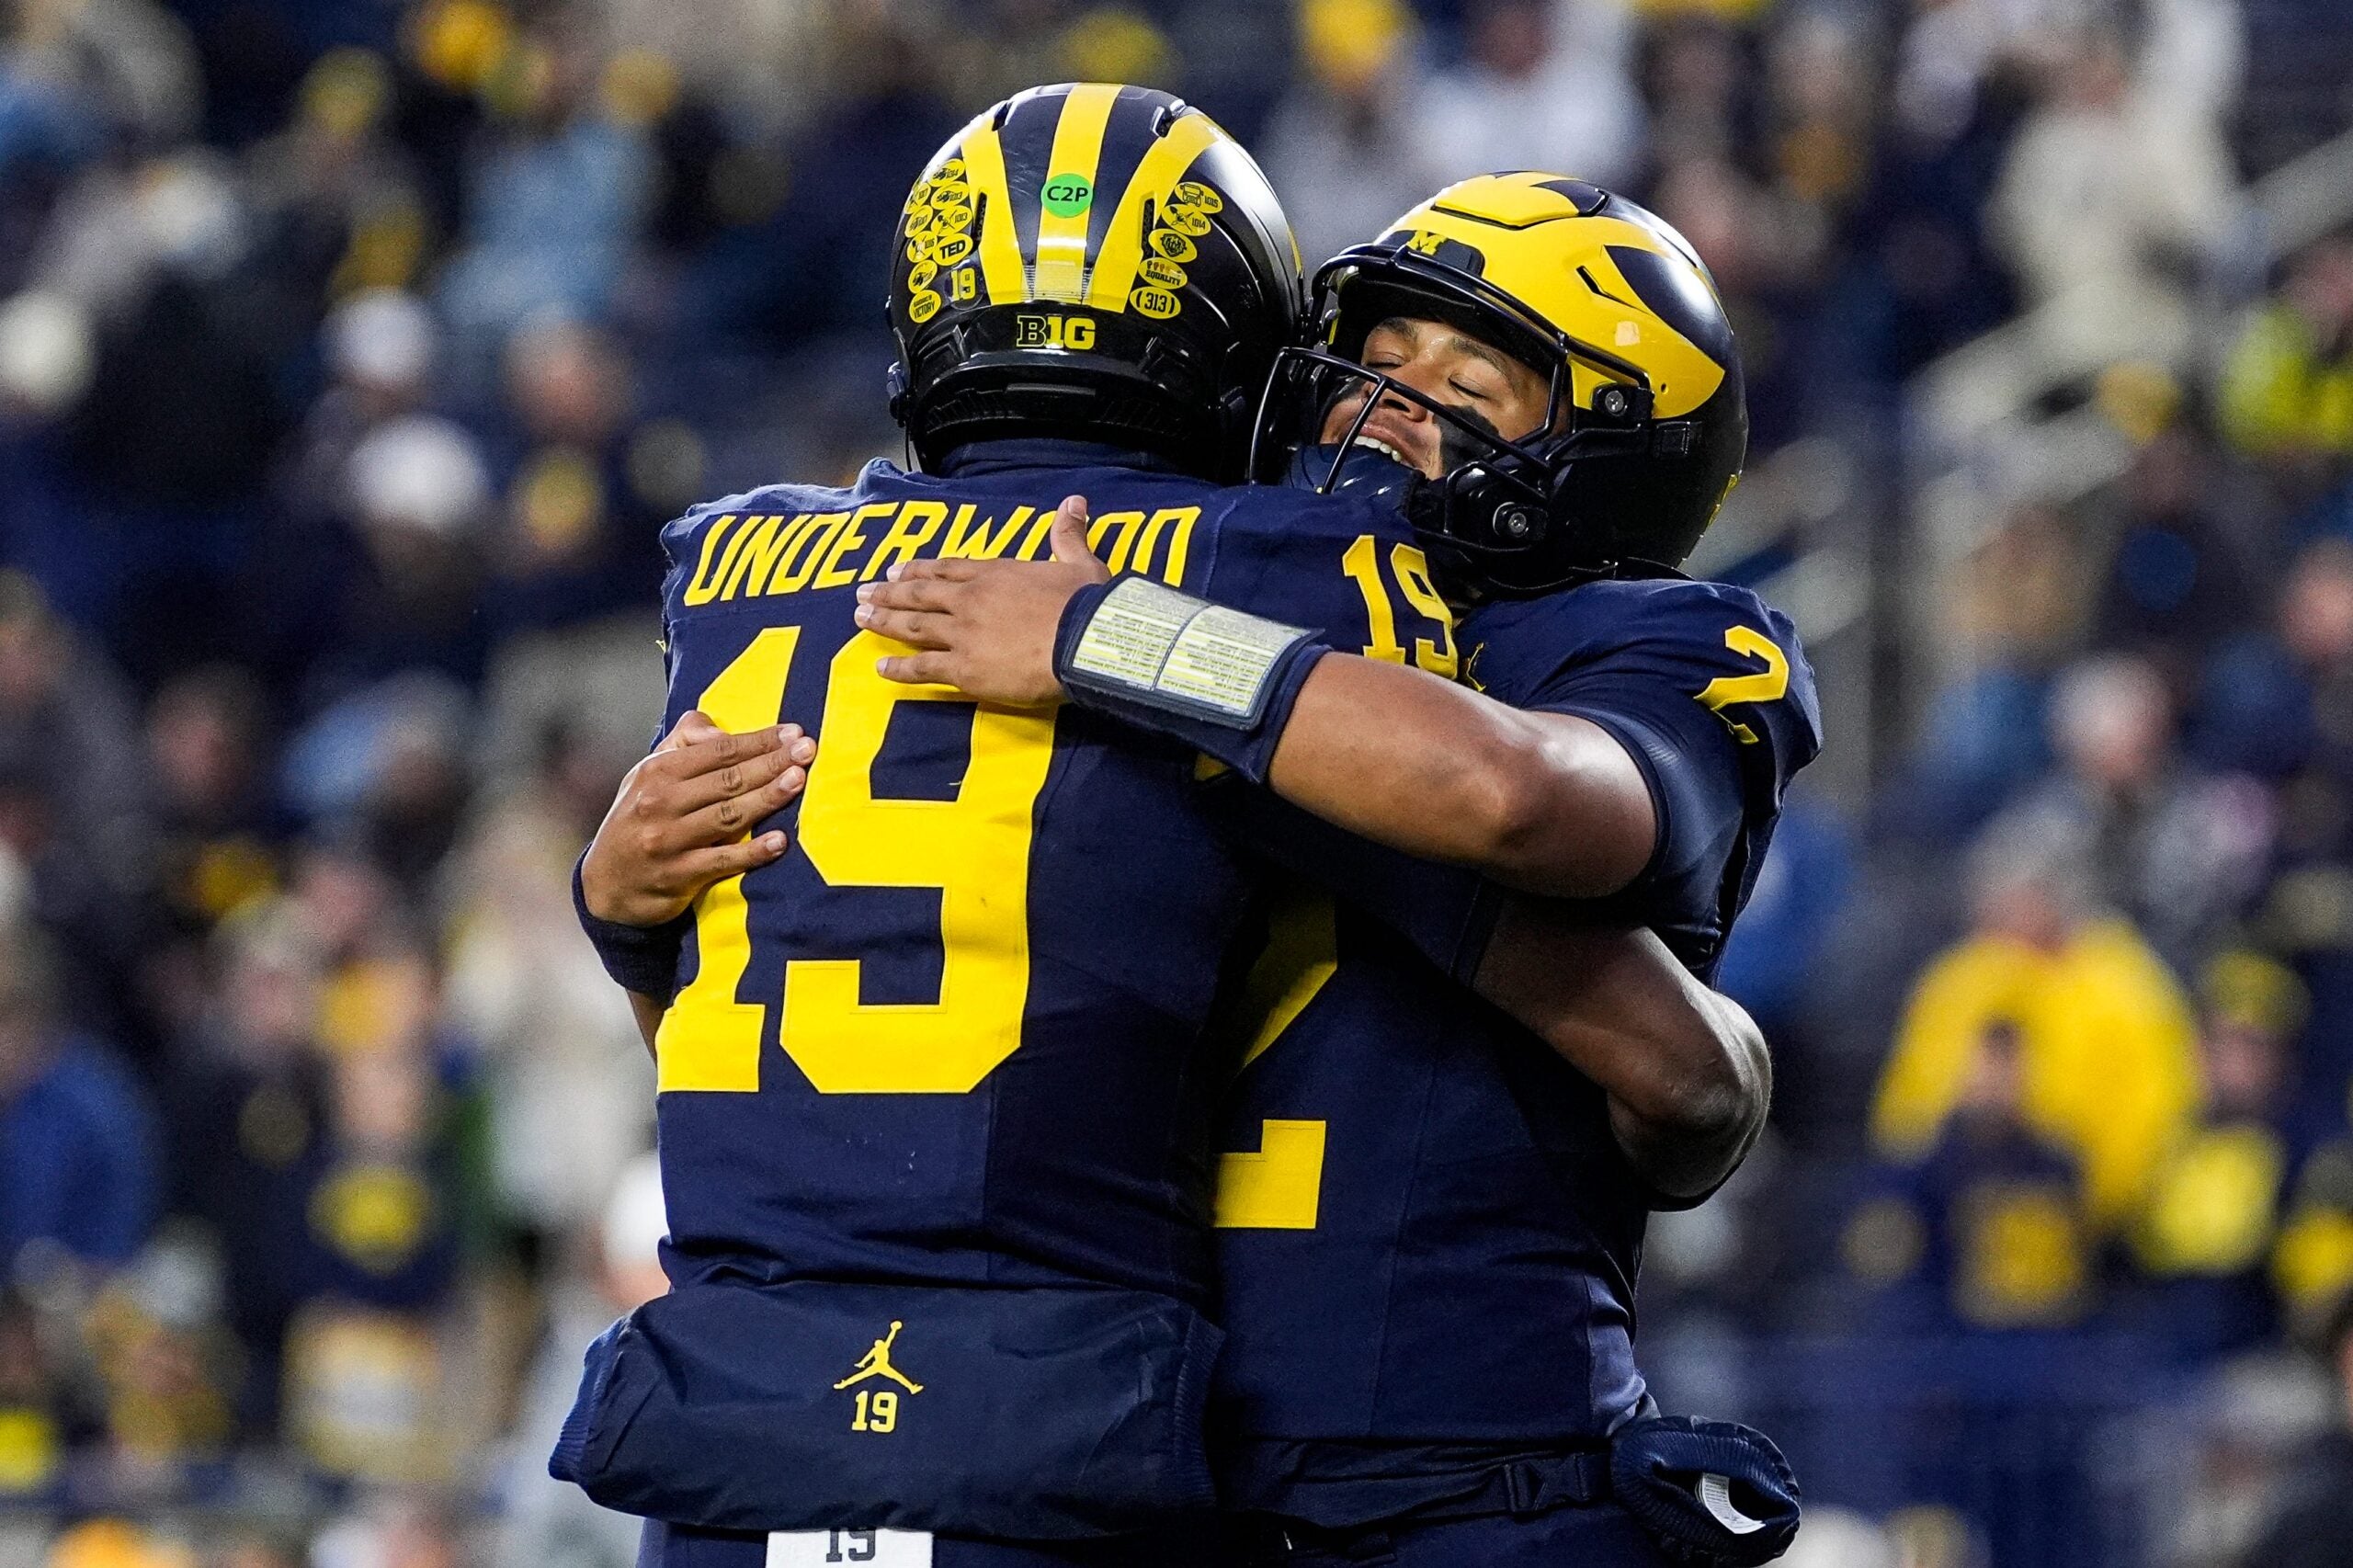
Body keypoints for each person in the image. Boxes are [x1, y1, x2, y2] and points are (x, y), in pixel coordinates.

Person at [560, 89, 1769, 1568]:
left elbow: (1664, 1026)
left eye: (1471, 380)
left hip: (1459, 1473)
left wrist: (1134, 658)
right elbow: (871, 1045)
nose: (1389, 404)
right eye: (1374, 360)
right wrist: (629, 907)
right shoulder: (1196, 572)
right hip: (1144, 1461)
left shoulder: (1636, 637)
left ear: (1606, 449)